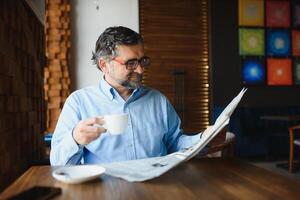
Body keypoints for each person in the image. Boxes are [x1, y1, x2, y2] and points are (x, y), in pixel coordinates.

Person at [50, 26, 201, 166]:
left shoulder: (158, 100)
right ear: (104, 65)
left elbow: (175, 144)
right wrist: (75, 139)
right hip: (106, 191)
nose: (141, 70)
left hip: (156, 189)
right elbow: (57, 164)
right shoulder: (78, 103)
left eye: (142, 61)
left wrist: (203, 139)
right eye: (131, 63)